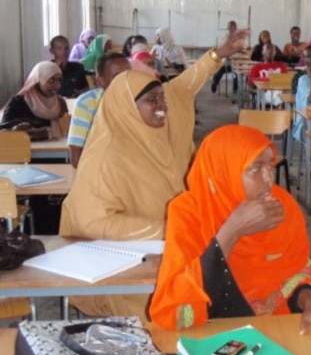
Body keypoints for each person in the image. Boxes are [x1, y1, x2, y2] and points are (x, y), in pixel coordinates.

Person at [59, 30, 248, 320]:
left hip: (176, 247)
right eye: (152, 100)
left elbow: (182, 87)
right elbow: (89, 221)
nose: (162, 106)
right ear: (126, 107)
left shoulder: (158, 130)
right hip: (131, 267)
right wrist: (166, 229)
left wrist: (217, 55)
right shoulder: (106, 157)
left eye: (161, 97)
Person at [149, 125, 311, 343]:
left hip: (276, 327)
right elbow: (174, 314)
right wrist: (231, 232)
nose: (268, 177)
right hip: (212, 332)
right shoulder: (188, 212)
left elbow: (297, 271)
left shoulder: (282, 205)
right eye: (255, 169)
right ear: (222, 173)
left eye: (270, 165)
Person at [67, 53, 130, 168]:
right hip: (102, 173)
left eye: (129, 74)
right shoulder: (87, 104)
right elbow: (77, 159)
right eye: (118, 76)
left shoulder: (141, 102)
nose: (126, 80)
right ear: (101, 81)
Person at [1, 61, 68, 138]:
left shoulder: (60, 104)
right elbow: (3, 130)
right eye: (51, 80)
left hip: (57, 148)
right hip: (23, 148)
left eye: (59, 80)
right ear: (38, 80)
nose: (56, 85)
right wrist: (15, 130)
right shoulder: (18, 102)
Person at [211, 20, 238, 93]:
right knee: (219, 71)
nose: (231, 29)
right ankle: (214, 83)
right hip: (225, 61)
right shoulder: (224, 37)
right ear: (228, 28)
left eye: (233, 27)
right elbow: (221, 47)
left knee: (237, 73)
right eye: (230, 27)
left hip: (235, 62)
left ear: (236, 28)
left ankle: (235, 89)